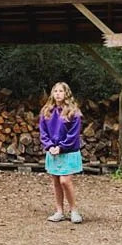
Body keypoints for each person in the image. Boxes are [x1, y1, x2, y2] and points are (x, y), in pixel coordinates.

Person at [39, 82, 83, 224]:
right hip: (52, 151)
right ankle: (59, 211)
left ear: (66, 94)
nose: (58, 94)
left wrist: (62, 147)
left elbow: (73, 134)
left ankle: (74, 210)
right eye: (55, 91)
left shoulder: (73, 112)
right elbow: (43, 132)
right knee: (56, 182)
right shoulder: (47, 111)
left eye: (61, 91)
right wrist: (50, 146)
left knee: (65, 181)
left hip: (68, 151)